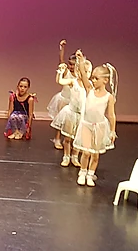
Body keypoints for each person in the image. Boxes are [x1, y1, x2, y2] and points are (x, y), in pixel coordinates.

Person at [73, 51, 117, 187]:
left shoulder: (109, 97)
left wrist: (112, 131)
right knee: (86, 152)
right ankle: (82, 172)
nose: (93, 80)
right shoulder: (89, 89)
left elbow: (111, 115)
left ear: (105, 80)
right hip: (87, 125)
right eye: (92, 78)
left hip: (100, 127)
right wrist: (81, 60)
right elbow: (83, 73)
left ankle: (90, 174)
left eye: (96, 78)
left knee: (95, 154)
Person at [50, 56, 89, 168]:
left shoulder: (89, 85)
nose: (85, 74)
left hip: (81, 115)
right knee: (68, 137)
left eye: (87, 72)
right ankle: (66, 156)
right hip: (71, 113)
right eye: (83, 71)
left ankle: (74, 157)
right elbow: (60, 81)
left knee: (78, 138)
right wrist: (60, 72)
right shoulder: (73, 82)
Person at [48, 39, 75, 149]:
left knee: (71, 122)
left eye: (73, 65)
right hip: (63, 99)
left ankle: (69, 140)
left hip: (73, 101)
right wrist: (62, 48)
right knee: (59, 120)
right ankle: (57, 139)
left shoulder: (79, 75)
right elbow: (61, 61)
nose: (71, 66)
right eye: (70, 64)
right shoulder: (66, 71)